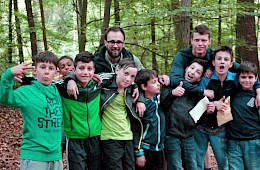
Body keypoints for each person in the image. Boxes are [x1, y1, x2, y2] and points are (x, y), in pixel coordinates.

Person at [0, 51, 63, 170]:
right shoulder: (27, 92)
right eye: (42, 67)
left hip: (56, 156)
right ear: (35, 70)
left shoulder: (59, 92)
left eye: (51, 68)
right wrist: (8, 75)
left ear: (56, 72)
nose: (46, 71)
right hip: (34, 156)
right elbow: (4, 98)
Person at [194, 46, 238, 170]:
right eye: (219, 59)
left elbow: (251, 79)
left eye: (226, 59)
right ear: (213, 62)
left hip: (220, 128)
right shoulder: (206, 78)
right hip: (201, 126)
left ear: (230, 64)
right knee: (198, 163)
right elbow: (197, 99)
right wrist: (213, 104)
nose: (222, 61)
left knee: (223, 163)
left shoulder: (235, 79)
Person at [57, 52, 102, 170]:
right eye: (81, 68)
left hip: (95, 137)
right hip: (74, 139)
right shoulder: (63, 87)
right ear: (74, 69)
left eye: (89, 69)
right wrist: (70, 80)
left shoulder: (98, 84)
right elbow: (43, 81)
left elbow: (120, 75)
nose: (85, 72)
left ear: (94, 70)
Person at [169, 24, 239, 99]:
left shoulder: (214, 56)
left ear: (209, 41)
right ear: (191, 41)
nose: (200, 44)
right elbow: (175, 80)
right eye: (197, 40)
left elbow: (242, 69)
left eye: (204, 40)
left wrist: (253, 86)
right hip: (183, 95)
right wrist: (202, 91)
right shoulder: (182, 56)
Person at [161, 59, 207, 170]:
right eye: (192, 68)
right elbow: (162, 105)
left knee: (192, 166)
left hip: (189, 135)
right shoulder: (171, 84)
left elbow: (200, 118)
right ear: (186, 68)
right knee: (175, 166)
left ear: (200, 78)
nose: (192, 72)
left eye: (198, 72)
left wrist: (208, 111)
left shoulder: (197, 92)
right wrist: (172, 94)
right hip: (172, 135)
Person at [100, 58, 145, 170]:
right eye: (125, 74)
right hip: (110, 137)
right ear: (116, 70)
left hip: (128, 137)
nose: (128, 79)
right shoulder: (105, 86)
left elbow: (140, 88)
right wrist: (71, 81)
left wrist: (140, 100)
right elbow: (88, 77)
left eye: (132, 76)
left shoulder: (130, 91)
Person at [226, 61, 260, 170]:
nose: (247, 80)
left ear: (256, 78)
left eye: (250, 77)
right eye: (243, 77)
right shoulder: (233, 92)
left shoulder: (258, 96)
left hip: (253, 141)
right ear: (238, 78)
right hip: (233, 141)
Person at [135, 69, 166, 170]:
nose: (158, 84)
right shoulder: (141, 106)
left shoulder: (160, 100)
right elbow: (136, 130)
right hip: (145, 149)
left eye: (158, 81)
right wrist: (139, 152)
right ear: (144, 86)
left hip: (159, 148)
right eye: (154, 82)